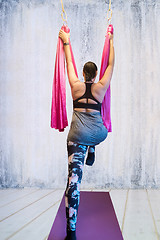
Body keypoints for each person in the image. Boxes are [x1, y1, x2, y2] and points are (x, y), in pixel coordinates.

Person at [59, 28, 115, 240]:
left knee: (74, 182)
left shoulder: (75, 86)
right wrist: (111, 41)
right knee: (97, 132)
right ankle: (91, 148)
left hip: (77, 137)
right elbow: (111, 65)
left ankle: (70, 232)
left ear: (83, 74)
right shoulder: (101, 87)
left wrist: (66, 41)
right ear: (95, 73)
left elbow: (68, 65)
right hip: (97, 134)